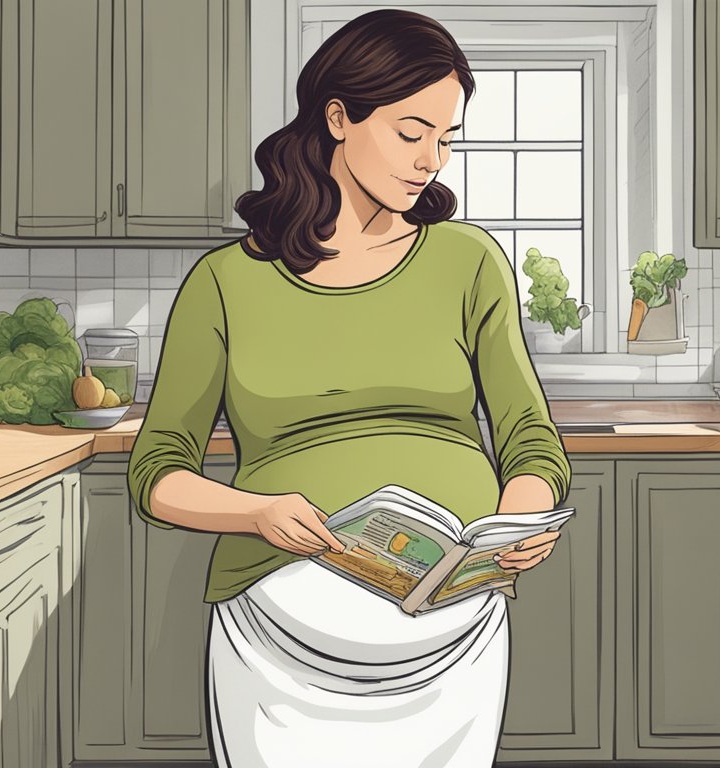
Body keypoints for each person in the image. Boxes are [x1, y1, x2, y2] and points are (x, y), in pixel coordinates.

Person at [126, 8, 572, 767]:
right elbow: (157, 471)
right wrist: (257, 513)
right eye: (411, 132)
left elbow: (531, 438)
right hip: (283, 619)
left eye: (446, 138)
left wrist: (517, 520)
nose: (432, 158)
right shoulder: (226, 282)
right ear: (339, 116)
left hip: (450, 617)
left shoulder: (468, 262)